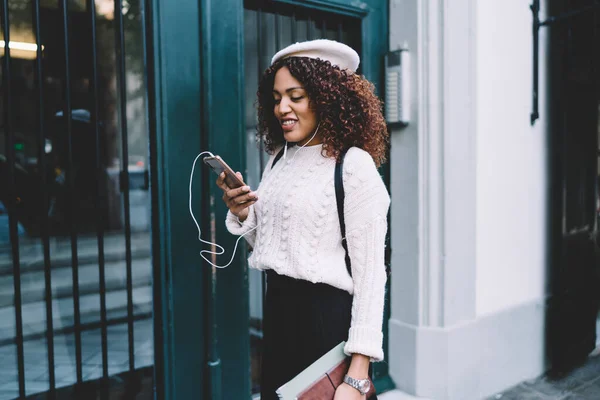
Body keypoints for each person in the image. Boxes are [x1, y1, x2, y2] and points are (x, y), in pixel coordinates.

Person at [216, 39, 390, 400]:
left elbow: (372, 276)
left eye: (295, 96)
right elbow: (272, 245)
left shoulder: (353, 165)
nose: (282, 108)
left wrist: (357, 376)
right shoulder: (280, 159)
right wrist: (243, 213)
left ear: (326, 98)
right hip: (279, 315)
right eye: (277, 97)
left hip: (327, 324)